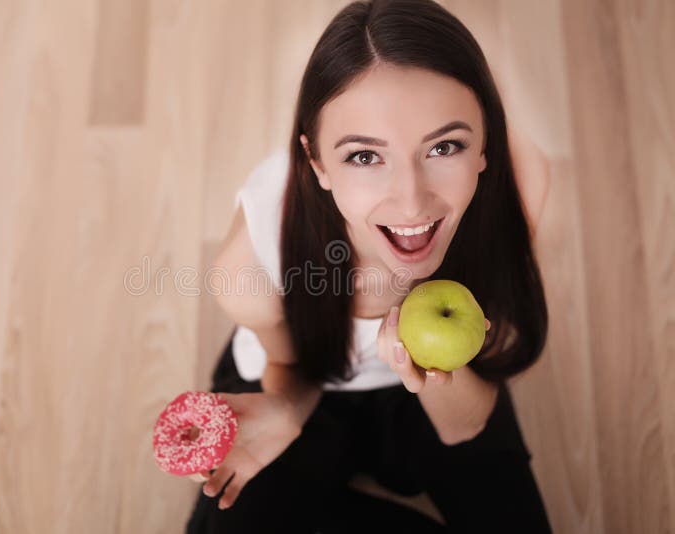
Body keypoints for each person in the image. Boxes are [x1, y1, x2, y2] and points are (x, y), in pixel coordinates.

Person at [185, 0, 553, 531]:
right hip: (310, 376)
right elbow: (293, 367)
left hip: (444, 381)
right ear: (316, 162)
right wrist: (285, 410)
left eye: (445, 146)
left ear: (485, 146)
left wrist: (428, 376)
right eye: (364, 156)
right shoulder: (251, 271)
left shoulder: (517, 190)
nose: (411, 202)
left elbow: (463, 427)